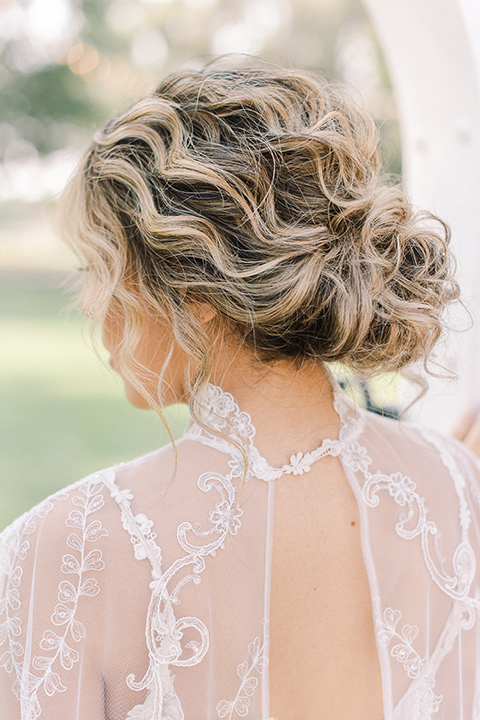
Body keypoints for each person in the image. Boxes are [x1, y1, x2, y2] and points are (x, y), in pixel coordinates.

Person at [1, 58, 480, 720]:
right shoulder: (457, 493)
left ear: (195, 291)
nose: (88, 303)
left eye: (98, 266)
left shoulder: (65, 550)